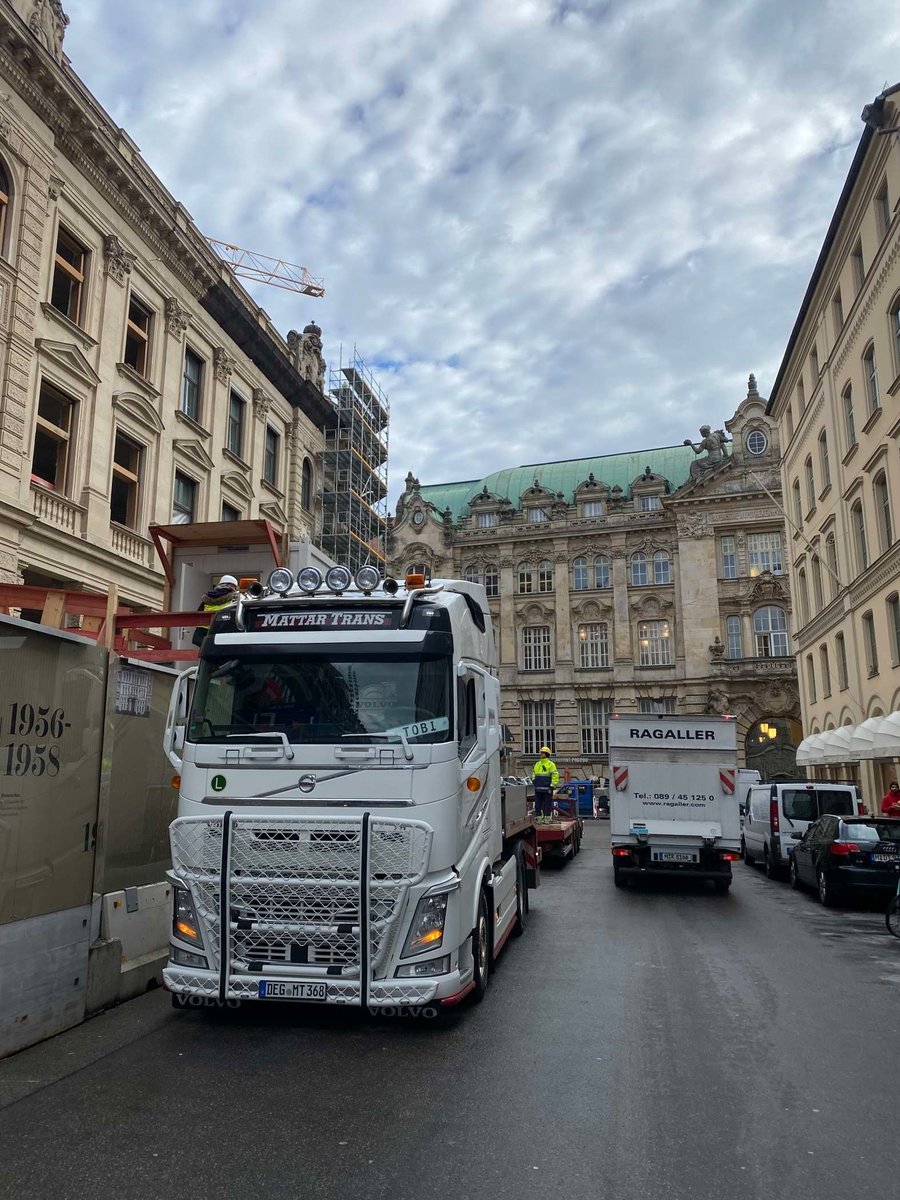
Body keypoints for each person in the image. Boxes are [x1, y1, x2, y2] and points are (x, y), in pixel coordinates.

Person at [192, 574, 240, 646]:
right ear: (234, 586)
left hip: (205, 631)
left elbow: (198, 615)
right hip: (224, 630)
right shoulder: (235, 598)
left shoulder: (207, 597)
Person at [532, 746, 560, 823]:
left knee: (548, 805)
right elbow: (534, 773)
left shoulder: (551, 764)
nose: (540, 754)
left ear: (546, 754)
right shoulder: (537, 764)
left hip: (547, 789)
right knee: (537, 805)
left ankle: (547, 819)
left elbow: (555, 776)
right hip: (538, 789)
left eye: (542, 752)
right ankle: (539, 819)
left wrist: (552, 787)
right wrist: (534, 780)